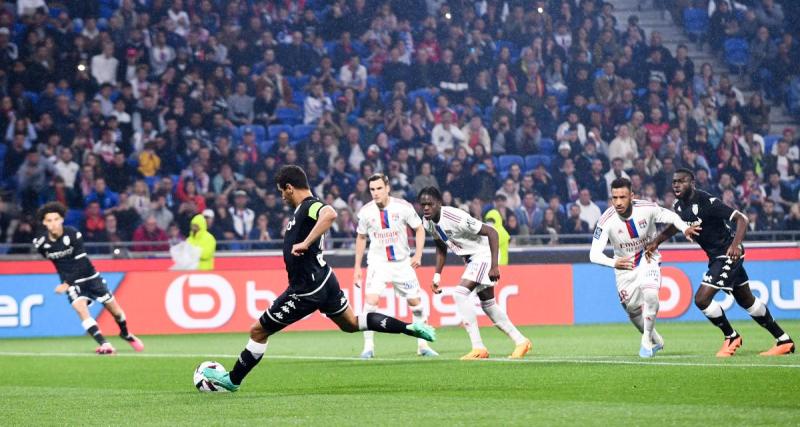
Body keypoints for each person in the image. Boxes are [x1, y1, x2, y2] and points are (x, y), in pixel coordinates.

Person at [203, 166, 435, 392]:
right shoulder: (301, 210)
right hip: (325, 280)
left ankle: (232, 379)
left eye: (282, 191)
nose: (282, 197)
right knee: (352, 323)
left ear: (290, 188)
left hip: (305, 289)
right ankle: (408, 327)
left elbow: (330, 213)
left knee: (258, 331)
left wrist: (305, 242)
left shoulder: (309, 206)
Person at [647, 168, 795, 357]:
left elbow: (742, 219)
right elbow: (675, 227)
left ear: (692, 183)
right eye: (674, 181)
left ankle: (731, 336)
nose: (676, 184)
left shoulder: (707, 202)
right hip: (715, 257)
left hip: (728, 254)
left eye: (681, 181)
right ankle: (784, 340)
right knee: (746, 299)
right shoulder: (678, 207)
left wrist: (735, 245)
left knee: (701, 299)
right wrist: (656, 242)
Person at [417, 187, 531, 360]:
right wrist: (437, 276)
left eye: (429, 204)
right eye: (423, 204)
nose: (426, 208)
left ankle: (478, 348)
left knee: (460, 294)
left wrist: (494, 266)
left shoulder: (455, 217)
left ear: (439, 204)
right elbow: (441, 247)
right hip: (471, 259)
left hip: (483, 254)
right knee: (488, 305)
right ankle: (521, 341)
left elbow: (491, 232)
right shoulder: (427, 221)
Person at [589, 178, 699, 358]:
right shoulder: (605, 221)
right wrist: (613, 263)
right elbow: (594, 254)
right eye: (614, 198)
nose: (618, 202)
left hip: (648, 256)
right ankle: (654, 337)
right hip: (624, 267)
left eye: (622, 197)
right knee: (632, 309)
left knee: (651, 294)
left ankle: (646, 341)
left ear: (631, 196)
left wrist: (685, 228)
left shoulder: (647, 208)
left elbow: (671, 216)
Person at [33, 202, 144, 354]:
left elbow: (81, 262)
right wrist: (68, 281)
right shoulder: (40, 243)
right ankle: (105, 344)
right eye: (49, 220)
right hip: (72, 283)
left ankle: (125, 333)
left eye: (56, 219)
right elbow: (55, 260)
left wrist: (66, 282)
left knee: (116, 312)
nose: (53, 223)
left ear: (62, 220)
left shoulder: (73, 234)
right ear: (44, 223)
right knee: (80, 309)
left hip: (90, 276)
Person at [353, 173, 438, 358]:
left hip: (401, 263)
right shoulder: (366, 212)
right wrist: (357, 267)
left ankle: (422, 346)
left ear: (387, 188)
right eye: (372, 190)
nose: (375, 193)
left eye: (379, 189)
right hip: (378, 263)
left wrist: (418, 254)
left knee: (416, 304)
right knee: (371, 301)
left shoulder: (403, 207)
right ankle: (368, 347)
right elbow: (361, 237)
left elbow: (419, 228)